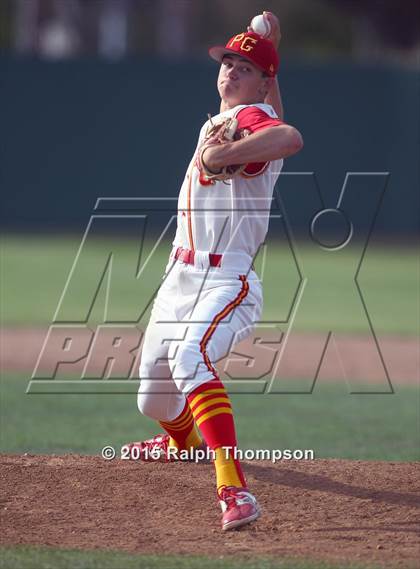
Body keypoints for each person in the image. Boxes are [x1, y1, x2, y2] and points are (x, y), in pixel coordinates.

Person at [128, 13, 303, 531]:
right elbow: (272, 113)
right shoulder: (235, 114)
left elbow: (288, 136)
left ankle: (235, 490)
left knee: (191, 355)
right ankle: (180, 440)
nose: (229, 70)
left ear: (262, 83)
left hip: (226, 281)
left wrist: (226, 151)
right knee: (151, 399)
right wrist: (271, 48)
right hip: (178, 281)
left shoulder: (246, 120)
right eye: (227, 61)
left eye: (243, 66)